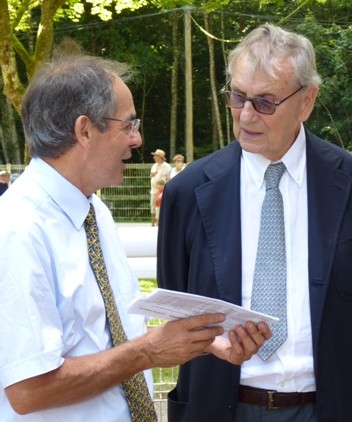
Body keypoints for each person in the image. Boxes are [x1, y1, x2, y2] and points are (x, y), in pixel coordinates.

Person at [0, 51, 271, 421]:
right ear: (84, 131)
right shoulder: (17, 229)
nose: (138, 139)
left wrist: (201, 341)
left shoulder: (94, 211)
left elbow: (107, 334)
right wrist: (147, 352)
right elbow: (28, 389)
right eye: (128, 125)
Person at [157, 24, 352, 422]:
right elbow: (179, 299)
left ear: (306, 101)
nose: (246, 115)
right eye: (237, 96)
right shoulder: (189, 192)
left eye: (265, 102)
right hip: (220, 407)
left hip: (331, 407)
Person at [150, 148, 171, 226]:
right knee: (153, 205)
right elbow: (150, 175)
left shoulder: (167, 166)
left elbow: (169, 179)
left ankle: (160, 222)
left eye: (155, 156)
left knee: (161, 206)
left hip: (162, 190)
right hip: (153, 189)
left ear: (160, 157)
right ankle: (152, 222)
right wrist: (152, 174)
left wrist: (164, 188)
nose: (154, 157)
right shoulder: (154, 166)